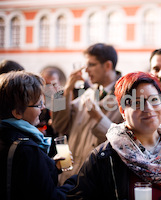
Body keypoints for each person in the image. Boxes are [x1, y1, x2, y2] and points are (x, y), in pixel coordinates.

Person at [66, 72, 161, 199]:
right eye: (137, 103)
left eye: (154, 100)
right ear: (122, 110)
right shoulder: (104, 158)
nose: (148, 108)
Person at [51, 43, 123, 184]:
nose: (86, 70)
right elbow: (59, 124)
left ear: (108, 65)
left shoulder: (126, 98)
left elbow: (122, 143)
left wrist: (98, 117)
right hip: (69, 176)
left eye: (91, 65)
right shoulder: (87, 94)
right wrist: (66, 90)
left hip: (96, 181)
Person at [0, 71, 71, 200]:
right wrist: (80, 181)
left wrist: (49, 166)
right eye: (38, 104)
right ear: (17, 112)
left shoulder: (6, 134)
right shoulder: (27, 150)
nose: (43, 107)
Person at [39, 66, 67, 157]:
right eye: (47, 84)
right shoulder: (36, 106)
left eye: (54, 84)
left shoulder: (63, 103)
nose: (50, 88)